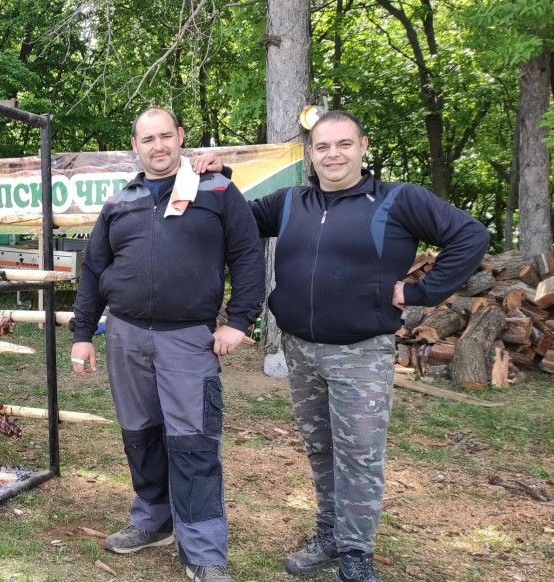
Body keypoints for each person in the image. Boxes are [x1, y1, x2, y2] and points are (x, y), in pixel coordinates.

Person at [193, 110, 489, 582]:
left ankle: (355, 556)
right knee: (321, 448)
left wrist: (420, 293)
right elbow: (238, 222)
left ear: (363, 147)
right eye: (323, 146)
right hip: (300, 349)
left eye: (343, 144)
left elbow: (471, 235)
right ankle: (330, 533)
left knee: (360, 454)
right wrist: (223, 178)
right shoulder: (291, 202)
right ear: (311, 153)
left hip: (361, 351)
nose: (333, 154)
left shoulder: (397, 199)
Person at [70, 107, 265, 582]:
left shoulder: (216, 190)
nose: (157, 146)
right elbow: (94, 270)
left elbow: (246, 255)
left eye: (165, 136)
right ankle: (153, 520)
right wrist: (82, 334)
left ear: (181, 137)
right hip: (125, 336)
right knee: (140, 435)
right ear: (134, 147)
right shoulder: (119, 201)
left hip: (186, 340)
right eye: (147, 139)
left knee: (193, 442)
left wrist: (239, 321)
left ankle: (203, 552)